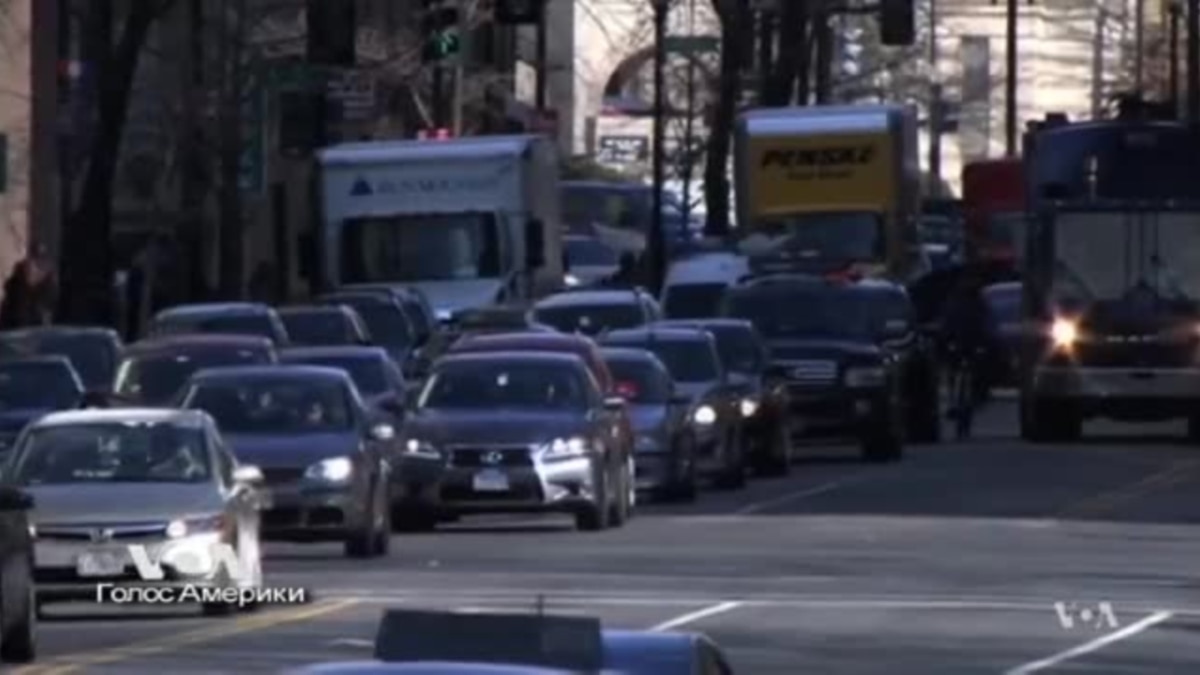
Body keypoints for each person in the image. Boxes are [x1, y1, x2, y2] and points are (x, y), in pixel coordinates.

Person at [940, 267, 992, 418]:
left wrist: (984, 343)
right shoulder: (955, 301)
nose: (969, 284)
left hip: (972, 342)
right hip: (958, 341)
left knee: (979, 368)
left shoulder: (978, 302)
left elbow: (985, 323)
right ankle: (953, 400)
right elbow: (947, 322)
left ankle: (976, 397)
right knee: (952, 369)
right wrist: (946, 339)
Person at [0, 243, 58, 328]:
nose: (33, 268)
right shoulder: (16, 284)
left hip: (37, 333)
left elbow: (50, 314)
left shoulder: (48, 285)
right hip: (14, 331)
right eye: (31, 260)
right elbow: (6, 313)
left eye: (39, 264)